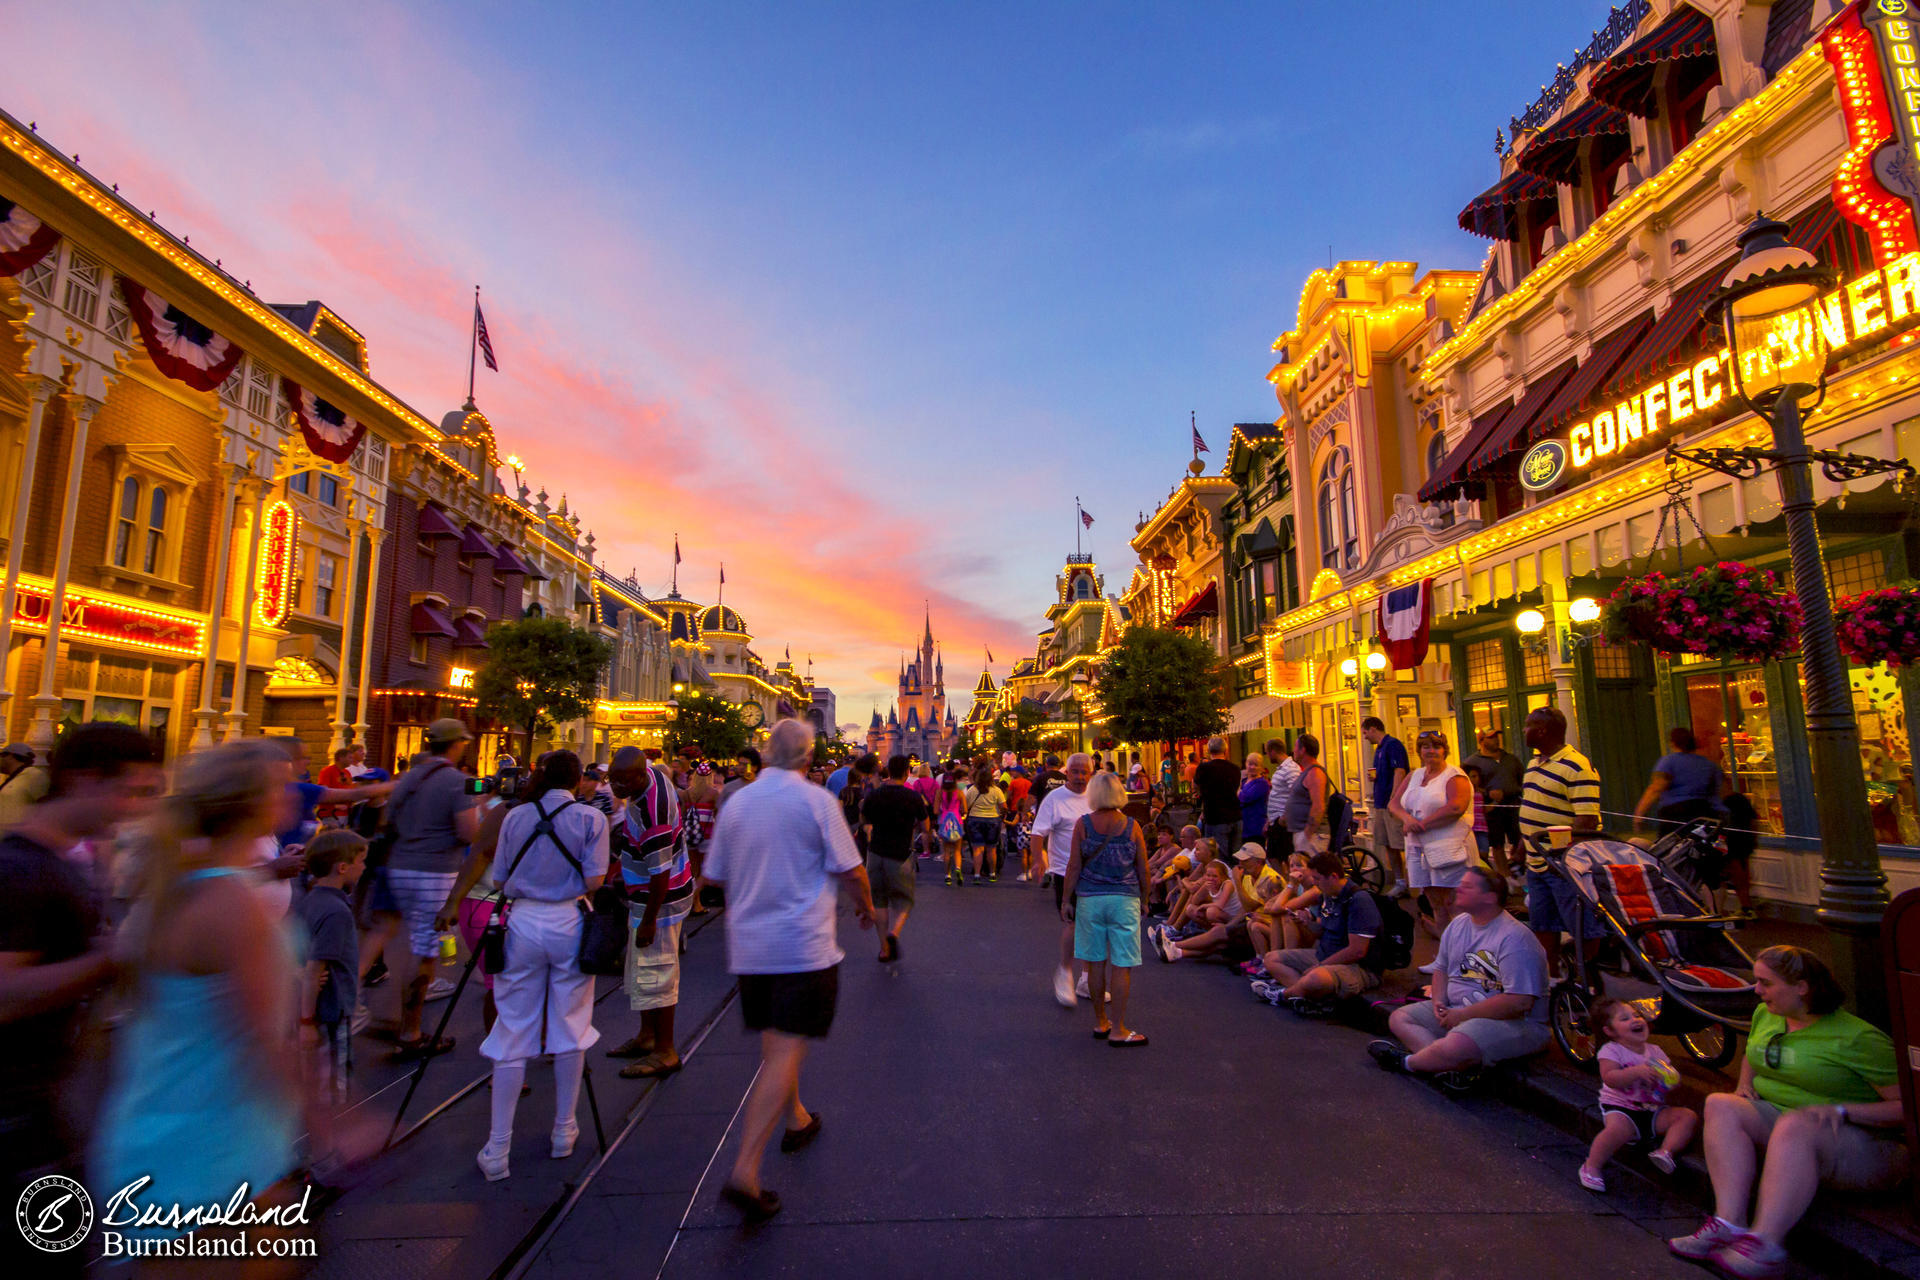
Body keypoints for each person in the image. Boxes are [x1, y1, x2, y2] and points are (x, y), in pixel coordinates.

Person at [94, 741, 307, 1262]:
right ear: (253, 803)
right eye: (279, 784)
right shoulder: (231, 903)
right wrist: (332, 1126)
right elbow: (263, 1037)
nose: (290, 793)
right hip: (218, 1142)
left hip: (158, 1122)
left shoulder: (173, 887)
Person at [0, 724, 158, 1270]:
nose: (136, 809)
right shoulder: (20, 871)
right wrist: (110, 959)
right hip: (14, 1114)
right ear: (82, 780)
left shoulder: (71, 861)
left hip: (42, 1101)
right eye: (131, 791)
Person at [703, 719, 874, 1222]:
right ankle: (745, 1172)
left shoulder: (738, 803)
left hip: (750, 947)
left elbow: (712, 875)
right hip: (801, 946)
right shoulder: (817, 801)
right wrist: (864, 906)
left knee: (778, 1042)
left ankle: (796, 1118)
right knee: (784, 1050)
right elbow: (852, 868)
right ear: (807, 757)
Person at [1669, 946, 1907, 1277]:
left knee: (1797, 1123)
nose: (1756, 990)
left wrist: (1842, 1109)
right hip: (1789, 1130)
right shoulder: (1767, 1014)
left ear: (1802, 987)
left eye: (1766, 982)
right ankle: (1729, 1222)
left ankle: (1765, 1246)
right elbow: (1755, 1051)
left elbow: (1907, 1109)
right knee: (1721, 1104)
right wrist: (1743, 1085)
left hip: (1866, 1146)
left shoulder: (1859, 1038)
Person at [476, 750, 610, 1180]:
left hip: (524, 919)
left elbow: (498, 879)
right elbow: (595, 880)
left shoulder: (515, 817)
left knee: (514, 1024)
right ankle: (563, 1131)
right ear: (577, 780)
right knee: (571, 1022)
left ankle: (498, 1148)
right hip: (569, 918)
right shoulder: (592, 819)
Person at [1369, 865, 1549, 1080]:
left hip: (1511, 1022)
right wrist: (1438, 1002)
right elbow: (1442, 969)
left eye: (1467, 886)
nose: (1458, 889)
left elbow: (1519, 1002)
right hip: (1458, 1010)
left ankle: (1407, 1062)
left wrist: (1462, 1015)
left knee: (1458, 1042)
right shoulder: (1459, 925)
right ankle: (1445, 1066)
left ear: (1489, 898)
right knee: (1400, 1018)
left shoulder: (1515, 939)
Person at [378, 719, 479, 1059]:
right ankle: (411, 1032)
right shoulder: (455, 782)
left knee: (410, 939)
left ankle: (397, 1017)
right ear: (457, 744)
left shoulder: (410, 777)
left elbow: (387, 820)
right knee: (425, 948)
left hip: (400, 865)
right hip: (434, 870)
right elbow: (468, 833)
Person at [605, 744, 692, 1080]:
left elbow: (660, 873)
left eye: (623, 782)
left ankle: (665, 1050)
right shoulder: (657, 775)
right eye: (613, 781)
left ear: (641, 775)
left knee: (657, 971)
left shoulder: (651, 816)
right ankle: (646, 1036)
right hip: (646, 895)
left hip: (660, 900)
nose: (616, 789)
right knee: (641, 968)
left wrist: (650, 920)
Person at [294, 829, 367, 1175]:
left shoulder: (309, 901)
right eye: (361, 861)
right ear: (342, 867)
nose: (364, 867)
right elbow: (314, 968)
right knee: (327, 1089)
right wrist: (306, 1021)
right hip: (330, 1011)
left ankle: (322, 1148)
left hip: (323, 1010)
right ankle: (324, 1157)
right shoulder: (336, 912)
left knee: (320, 1084)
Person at [1061, 770, 1149, 1046]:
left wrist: (1066, 899)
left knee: (1095, 960)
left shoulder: (1083, 824)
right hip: (1124, 899)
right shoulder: (1132, 826)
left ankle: (1101, 1021)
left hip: (1090, 899)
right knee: (1122, 964)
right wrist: (1145, 898)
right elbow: (1143, 868)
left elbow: (1073, 866)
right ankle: (1119, 1028)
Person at [1517, 706, 1602, 979]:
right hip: (1536, 863)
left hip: (1563, 866)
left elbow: (1586, 821)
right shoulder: (1533, 763)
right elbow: (1532, 806)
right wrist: (1522, 847)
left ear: (1541, 731)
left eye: (1528, 726)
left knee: (1581, 925)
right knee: (1542, 924)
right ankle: (1551, 980)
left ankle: (1585, 978)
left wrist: (1562, 857)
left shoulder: (1577, 766)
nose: (1523, 731)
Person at [1579, 996, 1698, 1192]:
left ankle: (1665, 1151)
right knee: (1616, 1131)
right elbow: (1610, 1077)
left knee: (1686, 1117)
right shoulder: (1612, 1051)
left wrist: (1670, 1080)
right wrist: (1635, 1072)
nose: (1635, 1020)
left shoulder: (1656, 1051)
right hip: (1622, 1107)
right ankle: (1591, 1166)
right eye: (1624, 1019)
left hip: (1652, 1109)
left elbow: (1667, 1081)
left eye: (1636, 1015)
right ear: (1609, 1031)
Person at [1251, 850, 1380, 1012]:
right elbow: (1321, 931)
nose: (1314, 882)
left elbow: (1357, 951)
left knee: (1316, 977)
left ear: (1333, 876)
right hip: (1324, 954)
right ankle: (1308, 997)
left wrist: (1321, 965)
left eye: (1318, 879)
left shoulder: (1358, 900)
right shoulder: (1328, 894)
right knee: (1271, 959)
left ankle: (1281, 995)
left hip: (1355, 967)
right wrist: (1307, 922)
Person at [1387, 730, 1475, 938]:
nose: (1431, 751)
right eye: (1426, 746)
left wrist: (1423, 824)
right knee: (1434, 901)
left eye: (1436, 746)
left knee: (1453, 902)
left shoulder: (1454, 776)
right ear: (1419, 750)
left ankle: (1464, 954)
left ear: (1445, 750)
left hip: (1448, 847)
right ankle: (1444, 955)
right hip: (1419, 848)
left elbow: (1456, 807)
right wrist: (1407, 819)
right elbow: (1394, 804)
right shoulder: (1414, 775)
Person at [1032, 753, 1095, 1006]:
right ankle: (1066, 972)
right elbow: (1038, 832)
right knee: (1073, 923)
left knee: (1093, 925)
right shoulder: (1055, 799)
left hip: (1096, 870)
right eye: (1075, 772)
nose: (1080, 777)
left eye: (1084, 772)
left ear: (1091, 773)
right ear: (1066, 773)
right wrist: (1039, 860)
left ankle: (1088, 979)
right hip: (1065, 870)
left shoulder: (1097, 796)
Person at [861, 755, 930, 961]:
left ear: (888, 771)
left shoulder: (875, 795)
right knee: (904, 901)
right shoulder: (912, 797)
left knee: (879, 902)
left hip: (875, 855)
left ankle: (884, 948)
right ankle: (894, 933)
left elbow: (865, 819)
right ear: (908, 772)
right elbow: (926, 827)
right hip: (899, 856)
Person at [1634, 725, 1730, 832]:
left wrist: (1639, 814)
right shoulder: (1709, 765)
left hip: (1675, 814)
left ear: (1672, 743)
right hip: (1704, 812)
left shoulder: (1668, 762)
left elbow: (1656, 789)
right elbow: (1722, 792)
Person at [1462, 730, 1524, 880]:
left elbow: (1522, 781)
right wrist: (1488, 793)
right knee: (1497, 844)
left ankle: (1516, 866)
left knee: (1519, 840)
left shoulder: (1510, 759)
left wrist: (1513, 791)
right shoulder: (1472, 762)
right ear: (1481, 741)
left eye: (1497, 737)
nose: (1496, 740)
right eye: (1491, 738)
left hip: (1513, 804)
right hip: (1491, 808)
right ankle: (1505, 877)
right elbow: (1468, 785)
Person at [1360, 717, 1410, 899]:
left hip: (1390, 804)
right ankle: (1400, 881)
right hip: (1381, 803)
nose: (1365, 737)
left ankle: (1413, 882)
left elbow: (1400, 771)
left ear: (1373, 729)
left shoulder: (1393, 745)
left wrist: (1394, 798)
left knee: (1400, 843)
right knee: (1389, 844)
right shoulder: (1379, 749)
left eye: (1365, 733)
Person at [1192, 736, 1243, 855]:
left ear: (1208, 751)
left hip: (1215, 817)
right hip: (1235, 815)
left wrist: (1204, 794)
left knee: (1218, 856)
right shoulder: (1234, 768)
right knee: (1236, 855)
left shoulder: (1204, 768)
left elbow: (1195, 786)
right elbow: (1237, 789)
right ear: (1225, 750)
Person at [1284, 734, 1330, 855]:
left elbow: (1318, 806)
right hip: (1302, 832)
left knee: (1309, 871)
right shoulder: (1307, 771)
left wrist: (1308, 833)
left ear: (1302, 750)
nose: (1293, 750)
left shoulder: (1315, 773)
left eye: (1295, 746)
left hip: (1312, 835)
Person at [962, 764, 1007, 884]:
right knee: (991, 849)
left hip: (975, 819)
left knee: (977, 849)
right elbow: (1004, 806)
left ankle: (977, 874)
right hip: (992, 819)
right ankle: (992, 873)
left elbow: (965, 807)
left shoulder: (972, 789)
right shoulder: (996, 790)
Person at [1263, 737, 1298, 855]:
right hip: (1275, 820)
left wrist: (1284, 817)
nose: (1267, 756)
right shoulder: (1281, 768)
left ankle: (1285, 874)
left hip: (1282, 821)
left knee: (1279, 856)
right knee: (1273, 856)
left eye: (1267, 753)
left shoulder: (1290, 768)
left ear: (1273, 751)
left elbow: (1295, 793)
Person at [933, 770, 968, 885]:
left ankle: (947, 875)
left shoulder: (939, 792)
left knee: (947, 851)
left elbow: (935, 810)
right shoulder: (959, 792)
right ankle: (958, 868)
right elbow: (965, 809)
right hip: (957, 821)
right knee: (957, 850)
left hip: (944, 822)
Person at [1237, 758, 1270, 855]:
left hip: (1255, 826)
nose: (1252, 767)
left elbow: (1245, 798)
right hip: (1243, 825)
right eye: (1250, 764)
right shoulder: (1244, 781)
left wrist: (1238, 791)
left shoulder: (1262, 783)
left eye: (1256, 764)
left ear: (1261, 767)